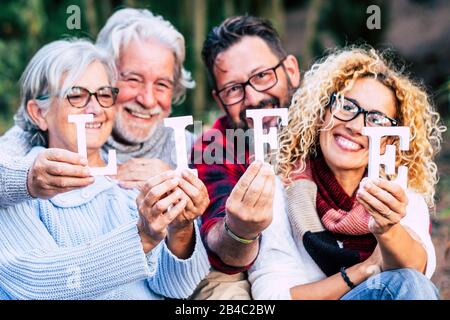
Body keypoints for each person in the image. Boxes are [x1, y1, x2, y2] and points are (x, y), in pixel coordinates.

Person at [0, 39, 210, 300]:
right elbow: (34, 284)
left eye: (103, 95)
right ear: (38, 113)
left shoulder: (135, 181)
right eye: (76, 95)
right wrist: (141, 237)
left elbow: (177, 289)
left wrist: (181, 229)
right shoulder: (18, 187)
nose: (96, 109)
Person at [248, 46, 445, 300]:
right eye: (346, 106)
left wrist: (387, 230)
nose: (355, 126)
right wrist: (365, 269)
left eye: (376, 119)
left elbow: (418, 272)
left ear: (389, 141)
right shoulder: (280, 188)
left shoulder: (397, 191)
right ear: (321, 113)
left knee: (410, 282)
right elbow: (272, 298)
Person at [0, 8, 204, 202]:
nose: (148, 100)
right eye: (133, 79)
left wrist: (176, 182)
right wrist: (29, 179)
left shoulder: (190, 147)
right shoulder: (51, 131)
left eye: (162, 84)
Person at [190, 15, 300, 299]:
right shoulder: (213, 147)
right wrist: (239, 231)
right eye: (234, 89)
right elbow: (221, 245)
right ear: (219, 100)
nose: (252, 99)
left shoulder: (336, 129)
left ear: (291, 70)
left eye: (262, 76)